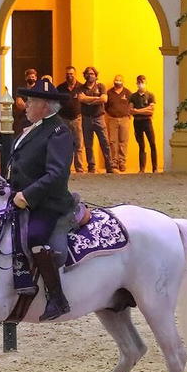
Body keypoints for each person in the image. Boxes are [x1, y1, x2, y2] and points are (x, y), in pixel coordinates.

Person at [8, 76, 77, 321]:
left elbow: (56, 174)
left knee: (36, 236)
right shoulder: (32, 129)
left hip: (48, 202)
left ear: (44, 107)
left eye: (30, 101)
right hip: (19, 197)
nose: (25, 105)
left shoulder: (59, 131)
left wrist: (27, 195)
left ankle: (57, 297)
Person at [75, 67, 112, 174]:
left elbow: (104, 99)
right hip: (86, 118)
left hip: (99, 118)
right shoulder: (81, 88)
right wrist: (96, 99)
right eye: (88, 73)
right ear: (85, 75)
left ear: (96, 75)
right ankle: (91, 166)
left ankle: (109, 166)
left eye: (92, 73)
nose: (90, 75)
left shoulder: (101, 86)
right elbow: (81, 99)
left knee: (105, 142)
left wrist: (88, 100)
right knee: (88, 144)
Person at [104, 74, 133, 173]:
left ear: (123, 82)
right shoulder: (109, 92)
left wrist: (129, 113)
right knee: (112, 141)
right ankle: (114, 162)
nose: (118, 81)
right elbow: (105, 106)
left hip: (125, 119)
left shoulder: (127, 92)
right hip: (112, 119)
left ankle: (122, 162)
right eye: (116, 80)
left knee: (123, 141)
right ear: (113, 81)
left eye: (120, 80)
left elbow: (132, 104)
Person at [129, 75, 158, 173]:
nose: (141, 84)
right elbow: (131, 111)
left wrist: (138, 111)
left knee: (152, 144)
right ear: (136, 83)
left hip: (147, 121)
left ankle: (155, 168)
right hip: (137, 122)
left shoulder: (150, 95)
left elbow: (151, 111)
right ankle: (142, 168)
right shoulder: (133, 96)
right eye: (139, 82)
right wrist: (143, 110)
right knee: (141, 145)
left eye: (143, 82)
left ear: (146, 83)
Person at [56, 66, 82, 172]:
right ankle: (66, 168)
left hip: (77, 119)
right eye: (67, 74)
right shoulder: (60, 88)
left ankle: (79, 168)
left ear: (75, 74)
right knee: (65, 145)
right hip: (63, 119)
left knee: (79, 145)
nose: (69, 76)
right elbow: (56, 103)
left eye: (71, 74)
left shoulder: (81, 87)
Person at [11, 68, 37, 133]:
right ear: (26, 78)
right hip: (25, 118)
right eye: (29, 77)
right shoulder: (21, 90)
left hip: (37, 119)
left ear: (36, 78)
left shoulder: (39, 90)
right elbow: (19, 105)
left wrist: (26, 104)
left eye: (32, 77)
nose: (31, 79)